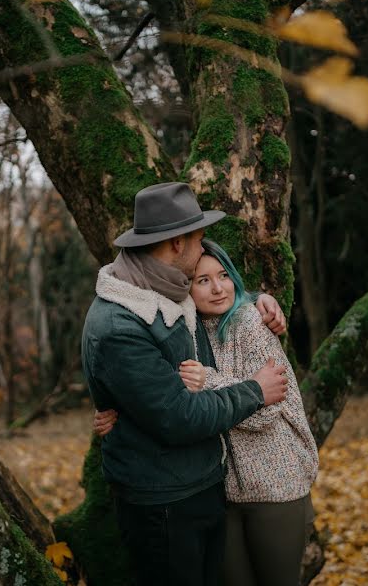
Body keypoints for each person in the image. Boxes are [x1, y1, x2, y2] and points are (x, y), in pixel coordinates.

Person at [82, 181, 292, 586]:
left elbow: (213, 316)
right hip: (163, 504)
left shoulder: (164, 287)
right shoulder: (119, 323)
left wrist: (258, 300)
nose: (203, 249)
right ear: (177, 244)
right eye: (199, 240)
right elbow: (177, 416)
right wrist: (255, 390)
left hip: (203, 484)